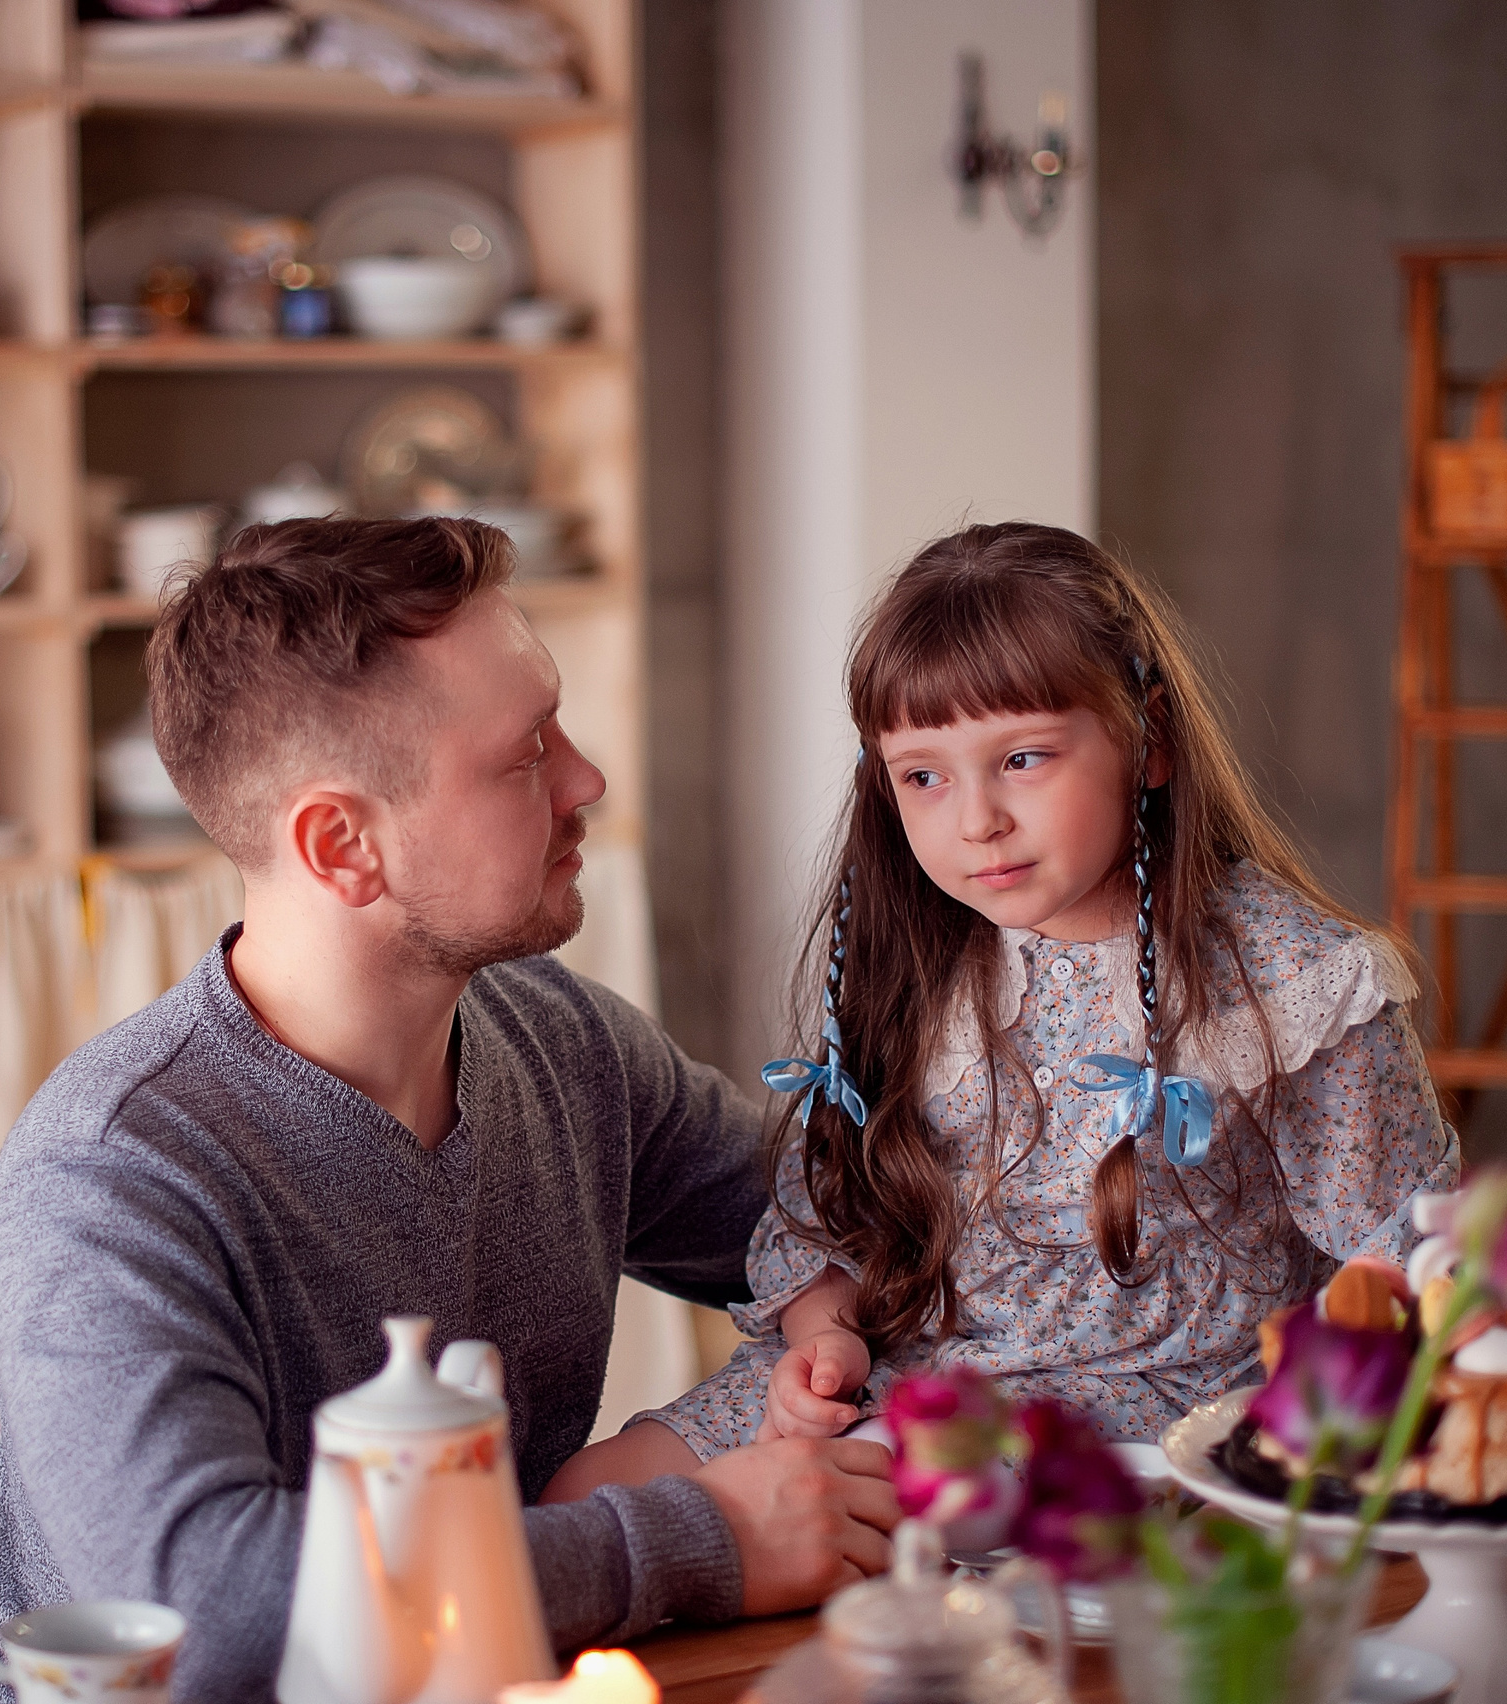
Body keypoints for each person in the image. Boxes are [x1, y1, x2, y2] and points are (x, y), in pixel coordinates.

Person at [0, 516, 899, 1703]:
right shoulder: (110, 1173)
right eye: (524, 755)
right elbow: (206, 1612)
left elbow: (853, 1214)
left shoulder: (560, 1042)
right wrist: (697, 1535)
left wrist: (826, 1305)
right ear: (342, 845)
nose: (585, 780)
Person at [545, 521, 1460, 1501]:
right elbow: (830, 1223)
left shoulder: (1292, 984)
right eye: (924, 776)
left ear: (1149, 741)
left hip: (1139, 1416)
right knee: (591, 1496)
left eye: (1023, 758)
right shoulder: (920, 956)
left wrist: (1322, 1403)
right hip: (904, 1376)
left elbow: (1402, 1256)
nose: (976, 820)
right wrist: (822, 1345)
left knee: (898, 1535)